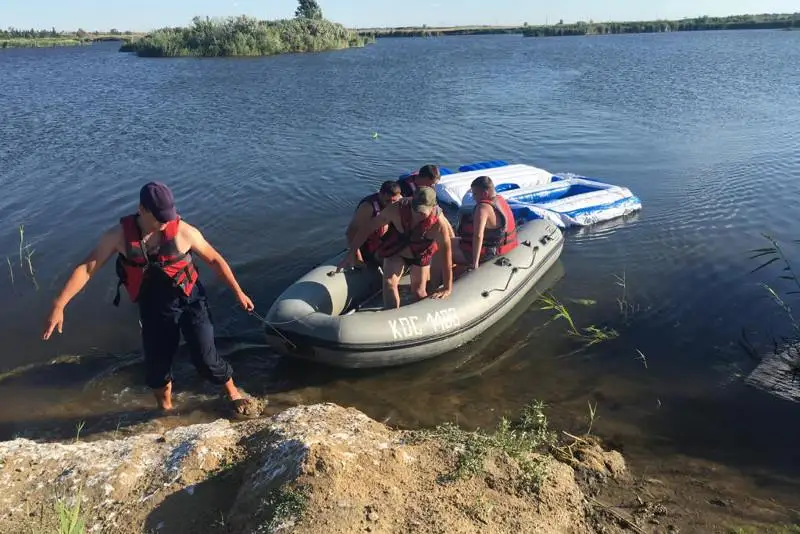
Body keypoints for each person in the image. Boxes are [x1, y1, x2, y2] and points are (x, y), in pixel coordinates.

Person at [41, 182, 260, 417]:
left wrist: (238, 291)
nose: (165, 222)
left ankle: (233, 391)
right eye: (159, 217)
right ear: (142, 209)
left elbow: (215, 260)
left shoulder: (184, 231)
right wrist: (59, 304)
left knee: (206, 359)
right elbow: (87, 268)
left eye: (168, 216)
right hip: (154, 307)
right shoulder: (118, 236)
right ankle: (165, 411)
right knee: (158, 367)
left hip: (191, 300)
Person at [343, 186, 453, 309]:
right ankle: (391, 314)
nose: (417, 215)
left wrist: (447, 287)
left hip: (420, 253)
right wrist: (351, 253)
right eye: (415, 209)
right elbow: (368, 228)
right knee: (389, 283)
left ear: (433, 207)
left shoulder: (439, 224)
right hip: (397, 250)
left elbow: (446, 256)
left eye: (422, 212)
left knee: (418, 291)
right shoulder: (396, 209)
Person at [453, 175, 519, 270]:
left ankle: (436, 283)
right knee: (447, 242)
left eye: (475, 194)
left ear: (484, 193)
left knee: (442, 252)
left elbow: (478, 236)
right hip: (502, 246)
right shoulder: (500, 199)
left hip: (489, 253)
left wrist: (475, 263)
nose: (473, 198)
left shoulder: (483, 208)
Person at [345, 180, 402, 268]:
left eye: (394, 201)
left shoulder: (400, 201)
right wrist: (357, 257)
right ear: (380, 194)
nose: (390, 205)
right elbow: (351, 231)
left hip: (386, 240)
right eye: (387, 201)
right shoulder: (368, 207)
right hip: (369, 245)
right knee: (391, 263)